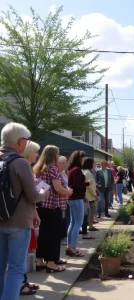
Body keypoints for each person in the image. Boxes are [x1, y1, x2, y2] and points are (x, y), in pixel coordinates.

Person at [0, 123, 49, 300]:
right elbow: (33, 195)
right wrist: (44, 193)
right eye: (26, 140)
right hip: (19, 222)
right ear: (20, 141)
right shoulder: (20, 162)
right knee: (15, 270)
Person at [33, 145, 72, 273]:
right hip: (54, 206)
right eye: (57, 154)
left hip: (42, 205)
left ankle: (39, 260)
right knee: (54, 234)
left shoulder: (39, 169)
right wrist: (68, 191)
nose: (58, 156)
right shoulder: (53, 169)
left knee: (43, 233)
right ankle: (51, 262)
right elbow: (58, 188)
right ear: (53, 155)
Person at [20, 141, 44, 295]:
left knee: (23, 251)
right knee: (19, 254)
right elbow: (31, 196)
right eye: (35, 152)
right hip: (20, 218)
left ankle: (24, 281)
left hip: (26, 215)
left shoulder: (27, 168)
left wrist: (35, 214)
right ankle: (21, 284)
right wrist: (42, 193)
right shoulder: (24, 168)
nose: (37, 154)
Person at [66, 151, 93, 257]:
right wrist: (87, 183)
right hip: (76, 199)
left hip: (72, 198)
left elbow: (74, 185)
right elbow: (77, 185)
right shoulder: (77, 170)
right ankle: (73, 248)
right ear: (78, 158)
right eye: (82, 158)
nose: (83, 160)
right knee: (78, 223)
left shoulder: (71, 169)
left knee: (72, 223)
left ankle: (69, 246)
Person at [82, 157, 98, 233]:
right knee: (89, 213)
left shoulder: (87, 171)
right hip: (89, 196)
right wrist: (95, 194)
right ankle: (89, 226)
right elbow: (89, 185)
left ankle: (90, 225)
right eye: (93, 163)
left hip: (90, 195)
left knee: (91, 212)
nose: (94, 164)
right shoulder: (87, 173)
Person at [57, 156, 69, 245]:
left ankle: (63, 237)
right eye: (63, 163)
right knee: (61, 219)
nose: (65, 164)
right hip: (60, 201)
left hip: (65, 200)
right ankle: (60, 238)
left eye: (65, 162)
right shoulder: (57, 174)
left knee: (64, 219)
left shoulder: (64, 173)